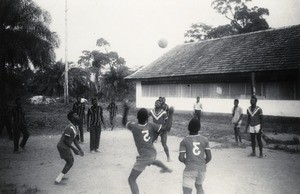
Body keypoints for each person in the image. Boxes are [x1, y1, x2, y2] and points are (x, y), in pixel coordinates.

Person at [122, 102, 172, 194]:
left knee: (131, 180)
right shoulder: (151, 125)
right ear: (147, 118)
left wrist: (126, 110)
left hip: (144, 157)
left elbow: (124, 122)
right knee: (152, 160)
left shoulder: (134, 126)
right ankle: (165, 168)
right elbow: (166, 128)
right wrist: (171, 114)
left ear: (137, 118)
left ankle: (164, 168)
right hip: (153, 153)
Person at [179, 118, 212, 194]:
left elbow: (181, 158)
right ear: (199, 128)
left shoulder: (184, 141)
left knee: (187, 190)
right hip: (201, 169)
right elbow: (209, 157)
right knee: (199, 186)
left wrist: (186, 161)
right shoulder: (205, 139)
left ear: (188, 128)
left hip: (190, 168)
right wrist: (201, 163)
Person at [55, 111, 84, 185]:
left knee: (70, 161)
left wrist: (80, 149)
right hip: (62, 146)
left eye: (77, 114)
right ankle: (58, 180)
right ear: (72, 118)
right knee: (70, 162)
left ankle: (61, 176)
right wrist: (74, 149)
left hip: (65, 146)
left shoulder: (75, 127)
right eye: (75, 115)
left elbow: (75, 140)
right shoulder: (69, 127)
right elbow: (65, 141)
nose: (77, 116)